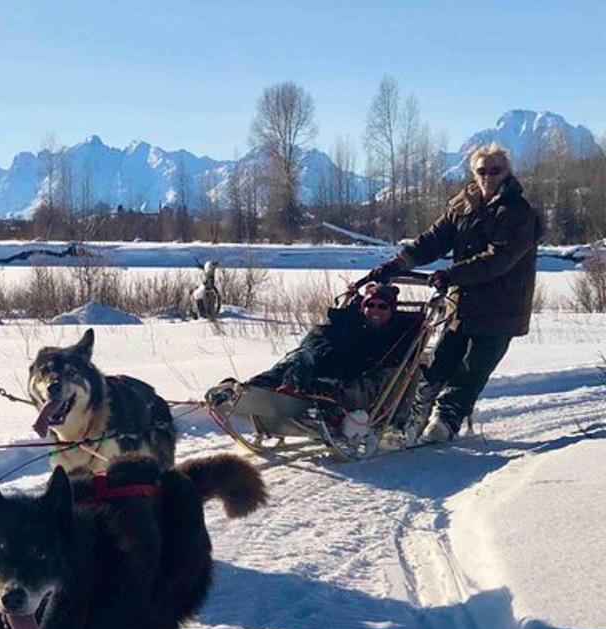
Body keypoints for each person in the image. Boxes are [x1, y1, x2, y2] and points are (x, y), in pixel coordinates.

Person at [370, 143, 541, 442]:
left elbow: (498, 259)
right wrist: (399, 263)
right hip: (462, 305)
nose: (488, 176)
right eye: (482, 171)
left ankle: (446, 421)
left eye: (495, 171)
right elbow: (433, 240)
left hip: (502, 308)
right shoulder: (462, 205)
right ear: (473, 173)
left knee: (471, 370)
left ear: (507, 173)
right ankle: (413, 418)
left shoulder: (518, 213)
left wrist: (450, 275)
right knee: (438, 363)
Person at [208, 282, 418, 416]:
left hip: (350, 377)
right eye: (370, 305)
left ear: (392, 310)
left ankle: (289, 390)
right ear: (363, 307)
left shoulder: (395, 334)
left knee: (309, 361)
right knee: (300, 356)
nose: (375, 311)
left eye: (382, 307)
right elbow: (325, 335)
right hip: (323, 363)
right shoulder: (351, 323)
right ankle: (248, 389)